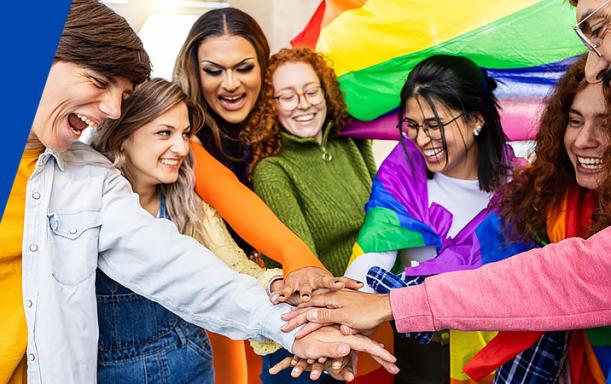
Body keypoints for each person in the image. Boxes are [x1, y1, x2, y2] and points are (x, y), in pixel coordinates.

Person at [278, 0, 611, 341]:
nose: (593, 68)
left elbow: (579, 274)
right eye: (411, 127)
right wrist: (372, 297)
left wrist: (390, 302)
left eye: (597, 26)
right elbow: (381, 243)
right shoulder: (529, 189)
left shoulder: (517, 181)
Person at [0, 1, 397, 383]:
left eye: (120, 95)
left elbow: (178, 266)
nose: (112, 109)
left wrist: (296, 323)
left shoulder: (89, 179)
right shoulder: (150, 160)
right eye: (100, 83)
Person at [463, 56, 611, 384]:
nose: (582, 141)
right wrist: (376, 295)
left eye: (607, 124)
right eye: (575, 121)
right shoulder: (543, 199)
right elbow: (469, 262)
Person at [173, 9, 357, 382]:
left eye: (244, 67)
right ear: (195, 71)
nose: (230, 84)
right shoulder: (184, 135)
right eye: (214, 70)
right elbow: (228, 194)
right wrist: (300, 260)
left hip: (304, 300)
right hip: (233, 294)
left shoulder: (284, 117)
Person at [90, 78, 289, 383]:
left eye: (184, 134)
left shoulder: (188, 203)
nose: (182, 148)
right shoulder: (85, 203)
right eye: (164, 133)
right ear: (122, 137)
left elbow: (236, 267)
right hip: (109, 371)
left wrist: (281, 287)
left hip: (189, 362)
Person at [338, 54, 513, 384]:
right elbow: (375, 249)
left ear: (475, 119)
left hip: (498, 354)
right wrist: (348, 316)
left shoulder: (517, 187)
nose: (420, 139)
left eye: (434, 125)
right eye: (413, 126)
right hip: (422, 354)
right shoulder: (400, 175)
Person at [247, 47, 377, 384]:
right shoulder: (272, 169)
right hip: (307, 335)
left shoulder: (352, 144)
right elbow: (306, 274)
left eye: (310, 91)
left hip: (363, 318)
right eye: (287, 97)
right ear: (270, 106)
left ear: (326, 93)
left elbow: (384, 218)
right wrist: (350, 320)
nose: (303, 104)